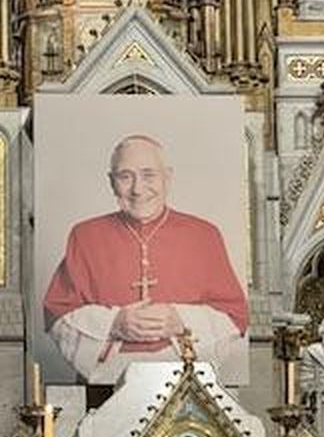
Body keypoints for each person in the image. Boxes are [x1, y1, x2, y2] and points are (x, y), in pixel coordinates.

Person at [42, 134, 249, 383]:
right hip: (106, 381)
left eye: (148, 175)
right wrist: (113, 323)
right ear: (111, 182)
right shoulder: (85, 236)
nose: (137, 189)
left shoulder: (204, 234)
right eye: (125, 176)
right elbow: (57, 313)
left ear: (167, 178)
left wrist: (180, 320)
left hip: (185, 379)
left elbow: (235, 316)